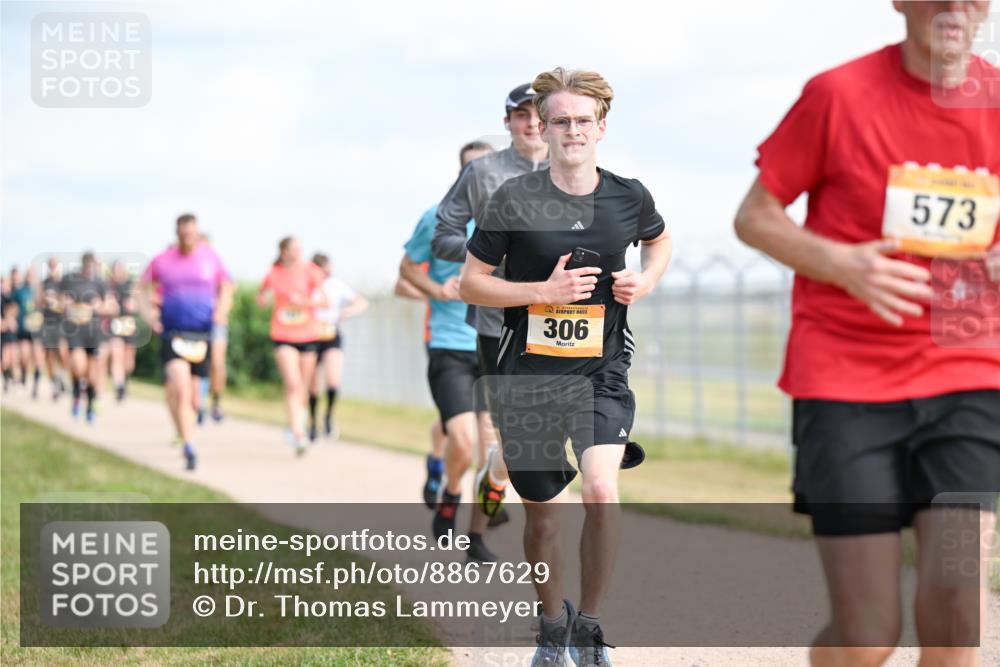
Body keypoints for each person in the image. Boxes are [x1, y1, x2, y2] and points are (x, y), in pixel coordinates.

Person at [734, 3, 1000, 666]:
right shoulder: (838, 95)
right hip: (846, 380)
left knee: (957, 611)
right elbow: (755, 216)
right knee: (867, 632)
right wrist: (840, 263)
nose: (954, 6)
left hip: (969, 374)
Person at [462, 67, 671, 666]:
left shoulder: (628, 195)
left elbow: (660, 241)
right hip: (528, 377)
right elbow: (470, 284)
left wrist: (645, 279)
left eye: (583, 121)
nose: (572, 130)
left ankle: (591, 628)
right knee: (544, 519)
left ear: (601, 127)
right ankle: (552, 626)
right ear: (544, 128)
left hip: (601, 371)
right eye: (561, 121)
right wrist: (540, 293)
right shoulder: (513, 198)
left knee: (603, 489)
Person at [433, 82, 549, 526]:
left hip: (560, 318)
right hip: (495, 319)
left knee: (548, 426)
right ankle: (496, 477)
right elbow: (444, 234)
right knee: (511, 432)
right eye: (522, 115)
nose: (532, 123)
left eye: (540, 113)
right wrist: (486, 254)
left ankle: (534, 518)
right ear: (508, 122)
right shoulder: (482, 173)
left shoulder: (575, 168)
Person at [402, 139, 503, 563]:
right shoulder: (438, 218)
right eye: (469, 171)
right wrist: (436, 288)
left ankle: (477, 535)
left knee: (501, 455)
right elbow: (407, 268)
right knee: (461, 440)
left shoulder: (516, 218)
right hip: (450, 344)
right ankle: (450, 494)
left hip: (500, 346)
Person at [140, 214, 233, 470]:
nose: (188, 239)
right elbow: (141, 289)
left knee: (193, 400)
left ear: (197, 233)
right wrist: (150, 317)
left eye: (192, 234)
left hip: (202, 335)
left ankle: (189, 424)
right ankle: (190, 447)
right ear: (177, 234)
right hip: (174, 333)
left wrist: (221, 312)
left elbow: (226, 287)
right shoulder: (162, 260)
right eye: (184, 235)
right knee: (180, 388)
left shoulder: (210, 257)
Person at [258, 237, 327, 455]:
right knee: (293, 384)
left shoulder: (311, 271)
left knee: (304, 389)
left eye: (300, 248)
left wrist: (304, 302)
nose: (298, 252)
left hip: (307, 335)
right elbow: (262, 296)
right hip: (283, 335)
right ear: (284, 252)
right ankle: (298, 433)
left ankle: (297, 423)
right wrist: (264, 300)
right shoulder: (274, 273)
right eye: (294, 249)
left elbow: (325, 301)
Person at [308, 254, 368, 441]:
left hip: (331, 334)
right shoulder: (308, 286)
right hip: (310, 335)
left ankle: (328, 417)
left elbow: (361, 302)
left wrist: (347, 312)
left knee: (333, 380)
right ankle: (312, 422)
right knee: (313, 385)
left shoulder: (336, 285)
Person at [60, 253, 115, 422]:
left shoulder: (100, 283)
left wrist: (99, 306)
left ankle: (90, 406)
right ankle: (76, 393)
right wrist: (66, 304)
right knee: (78, 366)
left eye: (92, 266)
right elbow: (61, 302)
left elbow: (111, 307)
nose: (89, 269)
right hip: (75, 331)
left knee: (92, 374)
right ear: (82, 265)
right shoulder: (70, 280)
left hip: (94, 333)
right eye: (87, 265)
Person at [107, 260, 139, 402]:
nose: (117, 273)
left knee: (128, 361)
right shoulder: (108, 287)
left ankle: (125, 379)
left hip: (129, 326)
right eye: (115, 271)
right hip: (115, 326)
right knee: (116, 355)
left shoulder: (131, 285)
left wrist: (134, 304)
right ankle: (119, 386)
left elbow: (138, 303)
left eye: (119, 270)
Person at [38, 256, 68, 400]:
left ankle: (61, 377)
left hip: (60, 322)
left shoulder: (63, 283)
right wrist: (43, 300)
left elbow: (67, 303)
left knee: (63, 352)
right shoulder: (44, 283)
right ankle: (54, 386)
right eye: (51, 266)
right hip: (48, 323)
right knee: (49, 356)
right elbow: (37, 302)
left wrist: (59, 303)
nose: (53, 268)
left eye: (55, 265)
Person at [1, 274, 18, 392]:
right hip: (3, 331)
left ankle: (9, 381)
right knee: (4, 360)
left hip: (9, 333)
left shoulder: (10, 297)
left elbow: (14, 311)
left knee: (11, 358)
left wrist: (10, 319)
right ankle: (7, 380)